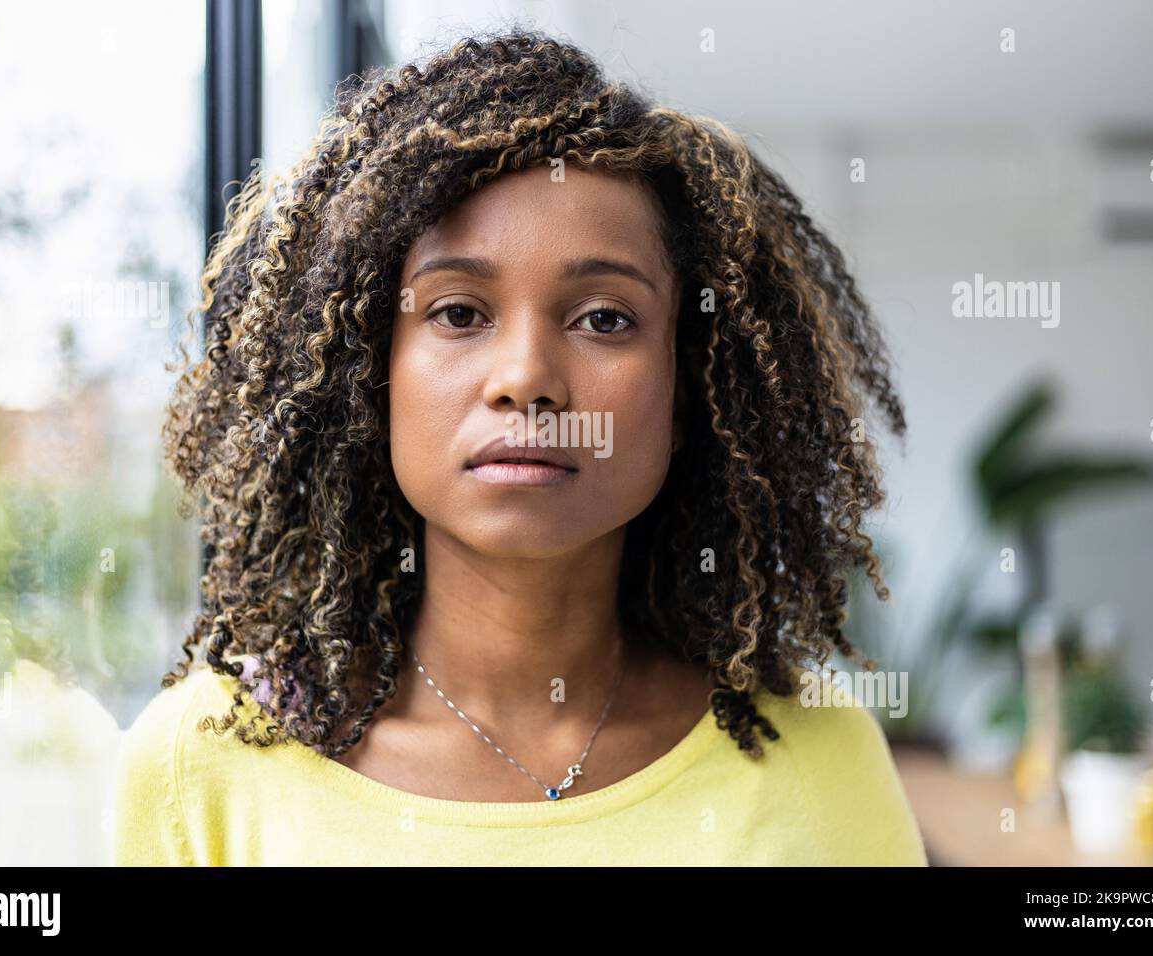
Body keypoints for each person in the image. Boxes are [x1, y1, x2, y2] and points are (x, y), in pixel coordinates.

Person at [113, 28, 926, 866]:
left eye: (605, 318)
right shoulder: (204, 765)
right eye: (458, 312)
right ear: (370, 377)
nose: (527, 379)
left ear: (687, 396)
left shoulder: (818, 764)